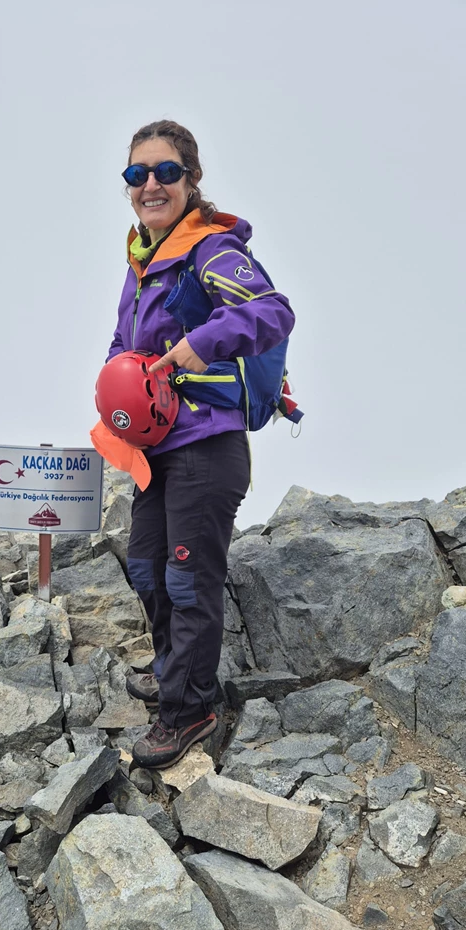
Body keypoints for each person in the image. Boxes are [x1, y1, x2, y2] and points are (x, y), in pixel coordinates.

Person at [106, 119, 295, 769]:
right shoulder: (142, 260)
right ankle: (171, 670)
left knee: (187, 579)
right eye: (138, 174)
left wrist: (198, 344)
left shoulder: (209, 250)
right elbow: (123, 346)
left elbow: (271, 312)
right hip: (155, 448)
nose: (150, 183)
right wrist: (110, 394)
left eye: (165, 171)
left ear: (191, 179)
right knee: (144, 566)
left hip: (208, 446)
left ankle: (191, 709)